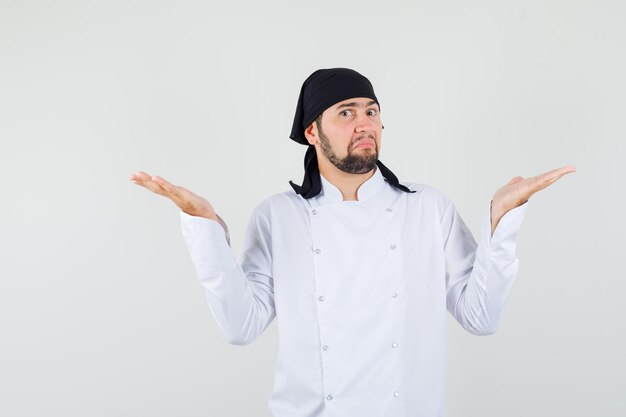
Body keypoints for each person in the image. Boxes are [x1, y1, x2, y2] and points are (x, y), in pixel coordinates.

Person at [130, 68, 576, 417]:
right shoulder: (278, 216)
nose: (364, 124)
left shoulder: (428, 208)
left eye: (371, 111)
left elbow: (481, 316)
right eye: (346, 112)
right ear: (312, 132)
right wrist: (202, 224)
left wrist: (501, 220)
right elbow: (240, 326)